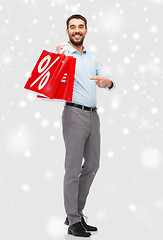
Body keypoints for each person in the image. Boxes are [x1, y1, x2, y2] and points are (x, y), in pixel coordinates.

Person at [56, 14, 115, 237]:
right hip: (73, 114)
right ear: (67, 31)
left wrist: (107, 82)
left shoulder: (93, 57)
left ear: (87, 30)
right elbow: (50, 75)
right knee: (72, 169)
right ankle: (73, 221)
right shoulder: (64, 54)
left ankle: (75, 213)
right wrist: (58, 55)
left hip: (93, 116)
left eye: (81, 27)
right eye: (73, 27)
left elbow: (106, 77)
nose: (77, 30)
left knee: (92, 164)